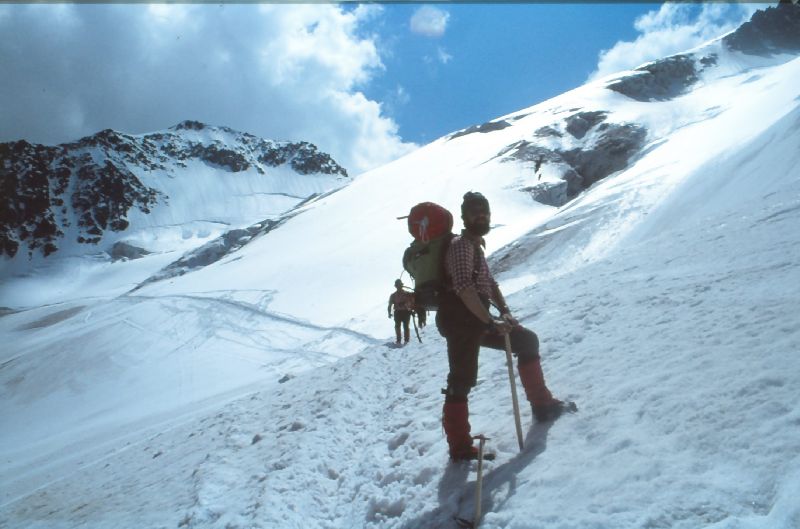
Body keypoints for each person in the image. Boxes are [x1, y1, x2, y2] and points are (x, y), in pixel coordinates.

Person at [436, 191, 570, 460]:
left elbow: (489, 284)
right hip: (460, 322)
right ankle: (460, 448)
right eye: (475, 211)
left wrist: (505, 313)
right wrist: (490, 321)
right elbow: (464, 288)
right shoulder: (462, 246)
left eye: (484, 210)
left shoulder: (475, 245)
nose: (481, 215)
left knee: (526, 341)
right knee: (461, 381)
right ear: (464, 216)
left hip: (477, 319)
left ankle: (542, 405)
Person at [388, 279, 414, 345]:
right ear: (396, 286)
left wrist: (409, 307)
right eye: (398, 285)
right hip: (398, 312)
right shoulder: (393, 295)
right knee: (397, 326)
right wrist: (389, 313)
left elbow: (411, 302)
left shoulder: (407, 294)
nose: (399, 287)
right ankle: (399, 341)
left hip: (406, 312)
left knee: (405, 326)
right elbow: (390, 305)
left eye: (399, 285)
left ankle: (406, 340)